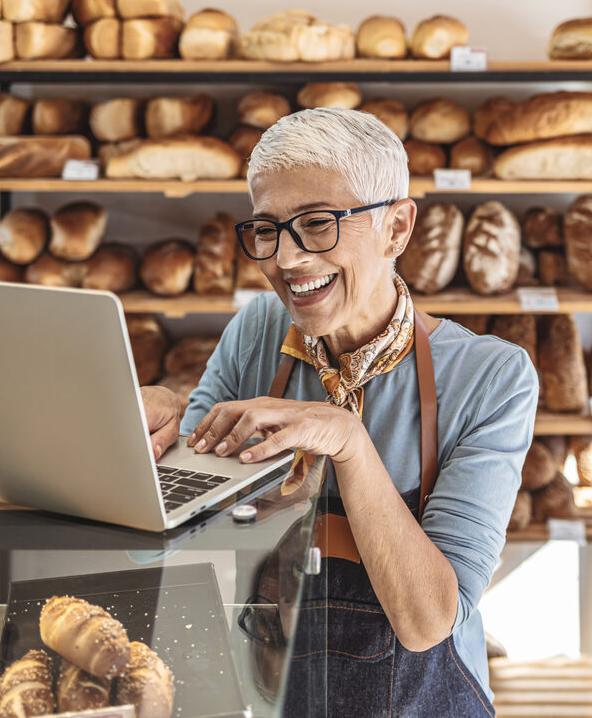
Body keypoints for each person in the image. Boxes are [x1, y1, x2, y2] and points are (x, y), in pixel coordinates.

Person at [141, 108, 538, 715]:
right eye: (268, 230)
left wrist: (349, 443)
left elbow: (427, 621)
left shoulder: (490, 378)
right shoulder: (257, 332)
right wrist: (165, 432)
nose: (288, 259)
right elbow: (186, 539)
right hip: (272, 691)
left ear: (397, 229)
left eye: (318, 224)